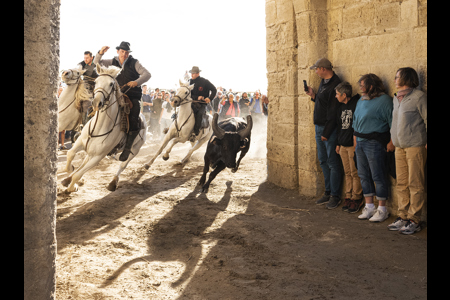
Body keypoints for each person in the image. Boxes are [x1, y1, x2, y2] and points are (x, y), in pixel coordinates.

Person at [94, 41, 151, 161]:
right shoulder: (112, 62)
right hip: (116, 94)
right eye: (122, 51)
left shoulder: (134, 62)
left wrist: (136, 82)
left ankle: (127, 148)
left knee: (134, 115)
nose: (124, 54)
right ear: (118, 51)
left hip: (133, 95)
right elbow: (96, 63)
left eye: (126, 52)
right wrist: (100, 53)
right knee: (99, 107)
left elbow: (147, 74)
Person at [387, 67, 427, 234]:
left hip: (415, 146)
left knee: (415, 183)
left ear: (406, 78)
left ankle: (414, 219)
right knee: (401, 182)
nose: (395, 79)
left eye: (397, 77)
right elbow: (395, 122)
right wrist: (392, 140)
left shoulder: (419, 97)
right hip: (399, 147)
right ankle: (402, 215)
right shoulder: (396, 98)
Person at [353, 73, 394, 223]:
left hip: (375, 143)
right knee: (363, 174)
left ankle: (382, 209)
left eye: (363, 86)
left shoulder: (385, 101)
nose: (361, 88)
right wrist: (355, 140)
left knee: (378, 175)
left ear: (371, 86)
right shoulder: (361, 100)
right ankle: (369, 206)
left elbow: (393, 122)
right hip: (361, 142)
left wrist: (392, 142)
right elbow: (355, 122)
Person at [305, 58, 343, 209]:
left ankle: (335, 195)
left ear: (323, 69)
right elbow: (324, 104)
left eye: (316, 69)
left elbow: (333, 113)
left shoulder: (336, 84)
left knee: (332, 162)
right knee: (323, 160)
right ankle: (327, 192)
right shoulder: (324, 82)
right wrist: (313, 96)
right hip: (319, 127)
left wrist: (326, 133)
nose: (315, 72)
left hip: (329, 129)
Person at [334, 82, 363, 213]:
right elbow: (339, 127)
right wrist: (338, 144)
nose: (336, 96)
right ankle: (348, 195)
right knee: (347, 172)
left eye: (337, 94)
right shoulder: (340, 108)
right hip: (343, 145)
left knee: (354, 172)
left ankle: (356, 198)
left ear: (344, 95)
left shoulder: (356, 105)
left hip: (352, 145)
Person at [188, 66, 217, 137]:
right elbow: (188, 94)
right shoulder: (189, 82)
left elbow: (214, 90)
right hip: (191, 102)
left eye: (193, 73)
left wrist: (210, 98)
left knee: (200, 114)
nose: (191, 75)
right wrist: (197, 97)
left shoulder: (205, 81)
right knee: (181, 111)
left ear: (198, 73)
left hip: (202, 104)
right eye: (191, 73)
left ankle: (195, 132)